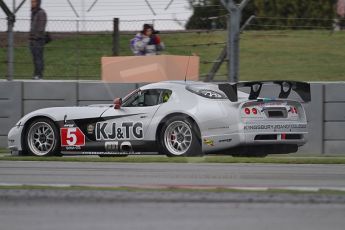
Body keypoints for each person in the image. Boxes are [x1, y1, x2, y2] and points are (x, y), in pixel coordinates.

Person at [29, 0, 47, 80]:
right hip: (33, 39)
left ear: (38, 3)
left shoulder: (41, 13)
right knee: (35, 58)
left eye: (34, 2)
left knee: (38, 58)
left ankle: (39, 74)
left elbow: (40, 28)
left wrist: (35, 37)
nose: (32, 3)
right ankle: (36, 73)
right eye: (31, 2)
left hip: (38, 40)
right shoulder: (34, 12)